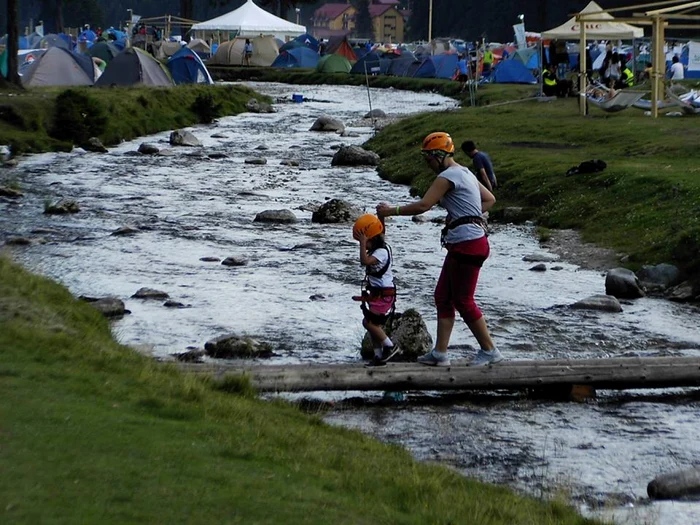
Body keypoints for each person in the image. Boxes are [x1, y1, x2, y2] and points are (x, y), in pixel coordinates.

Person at [376, 132, 501, 367]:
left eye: (428, 160)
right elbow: (490, 199)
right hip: (467, 242)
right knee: (443, 296)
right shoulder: (465, 172)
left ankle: (489, 350)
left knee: (463, 300)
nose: (428, 165)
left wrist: (390, 211)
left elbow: (423, 205)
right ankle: (440, 353)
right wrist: (462, 216)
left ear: (438, 155)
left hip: (468, 244)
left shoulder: (447, 176)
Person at [352, 214, 400, 367]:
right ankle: (378, 356)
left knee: (370, 324)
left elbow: (364, 261)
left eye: (366, 244)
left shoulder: (381, 253)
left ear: (371, 240)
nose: (365, 247)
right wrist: (381, 217)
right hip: (376, 294)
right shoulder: (378, 247)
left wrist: (362, 243)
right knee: (371, 323)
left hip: (384, 295)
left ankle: (390, 346)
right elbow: (380, 231)